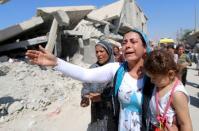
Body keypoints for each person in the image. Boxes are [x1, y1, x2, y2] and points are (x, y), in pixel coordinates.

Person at [26, 29, 154, 131]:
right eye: (124, 42)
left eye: (133, 41)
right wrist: (56, 62)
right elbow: (85, 74)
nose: (128, 46)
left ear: (144, 47)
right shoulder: (117, 69)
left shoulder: (154, 74)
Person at [144, 50, 193, 131]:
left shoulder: (177, 94)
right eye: (150, 77)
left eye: (154, 78)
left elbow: (186, 124)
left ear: (170, 74)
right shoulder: (159, 85)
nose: (151, 81)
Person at [80, 40, 117, 131]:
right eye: (97, 52)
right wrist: (84, 97)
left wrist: (102, 97)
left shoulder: (115, 69)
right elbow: (86, 85)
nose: (98, 54)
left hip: (111, 111)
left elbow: (118, 91)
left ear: (108, 52)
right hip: (96, 110)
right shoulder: (93, 68)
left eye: (101, 51)